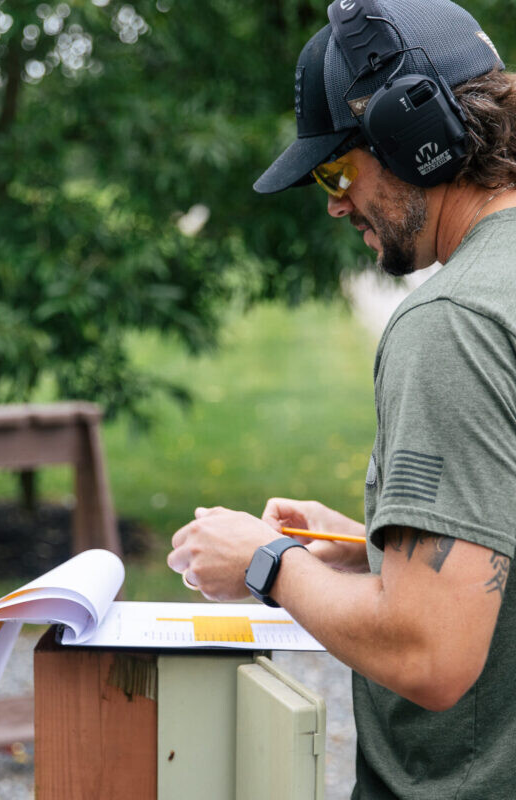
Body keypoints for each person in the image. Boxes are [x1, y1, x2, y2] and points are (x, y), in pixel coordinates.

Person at [167, 1, 516, 797]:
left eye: (335, 170)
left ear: (411, 137)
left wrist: (266, 562)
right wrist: (380, 550)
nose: (331, 202)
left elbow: (430, 653)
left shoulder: (451, 323)